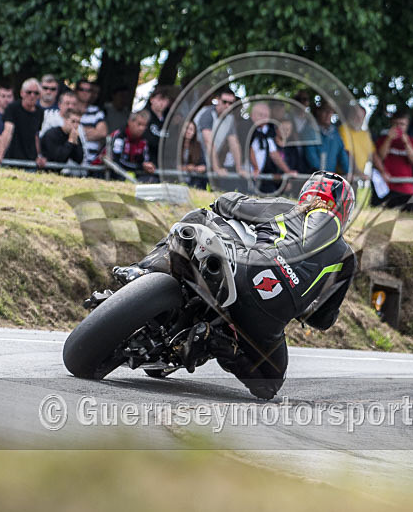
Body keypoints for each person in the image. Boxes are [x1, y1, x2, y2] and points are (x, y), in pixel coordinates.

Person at [110, 171, 356, 399]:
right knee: (269, 383)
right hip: (270, 315)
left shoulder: (287, 207)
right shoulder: (346, 257)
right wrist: (299, 301)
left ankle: (144, 269)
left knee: (201, 217)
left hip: (246, 271)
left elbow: (229, 202)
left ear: (307, 193)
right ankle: (215, 340)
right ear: (344, 210)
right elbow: (322, 320)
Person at [373, 109, 413, 208]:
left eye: (402, 124)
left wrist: (406, 143)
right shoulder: (383, 139)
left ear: (407, 126)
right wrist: (389, 139)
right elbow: (380, 157)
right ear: (391, 123)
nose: (399, 127)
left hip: (405, 189)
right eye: (396, 124)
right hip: (385, 187)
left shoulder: (412, 141)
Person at [0, 78, 45, 166]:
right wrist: (0, 154)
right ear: (22, 93)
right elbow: (7, 131)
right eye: (29, 92)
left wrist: (38, 156)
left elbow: (36, 135)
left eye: (36, 93)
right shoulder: (13, 108)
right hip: (12, 157)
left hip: (30, 159)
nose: (32, 95)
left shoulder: (40, 112)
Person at [249, 102, 296, 192]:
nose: (264, 118)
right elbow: (249, 149)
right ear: (252, 115)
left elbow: (274, 154)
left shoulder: (267, 131)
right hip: (246, 173)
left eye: (266, 115)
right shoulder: (247, 128)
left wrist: (287, 171)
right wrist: (256, 168)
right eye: (260, 115)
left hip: (257, 175)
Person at [196, 87, 244, 175]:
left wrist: (239, 169)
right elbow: (208, 142)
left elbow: (234, 144)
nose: (227, 105)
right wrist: (216, 168)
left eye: (231, 103)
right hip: (196, 160)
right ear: (218, 100)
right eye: (224, 102)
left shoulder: (230, 119)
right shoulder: (208, 113)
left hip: (209, 161)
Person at [107, 109, 156, 182]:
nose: (142, 128)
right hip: (107, 174)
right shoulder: (119, 136)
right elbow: (116, 162)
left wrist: (148, 166)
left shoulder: (144, 140)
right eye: (139, 124)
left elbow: (145, 161)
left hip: (131, 175)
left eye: (145, 125)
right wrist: (141, 167)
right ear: (130, 122)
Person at [302, 100, 349, 175]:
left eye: (331, 112)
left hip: (329, 179)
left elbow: (342, 155)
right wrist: (324, 173)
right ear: (318, 112)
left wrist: (350, 172)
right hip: (312, 178)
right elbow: (311, 158)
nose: (328, 114)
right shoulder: (309, 131)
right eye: (325, 111)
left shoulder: (335, 133)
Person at [339, 104, 376, 181]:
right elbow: (347, 153)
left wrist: (383, 172)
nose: (358, 119)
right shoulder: (344, 129)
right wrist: (358, 172)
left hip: (356, 177)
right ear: (350, 115)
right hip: (343, 176)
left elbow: (373, 155)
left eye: (361, 117)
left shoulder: (365, 134)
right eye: (356, 116)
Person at [75, 79, 107, 165]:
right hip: (73, 162)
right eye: (82, 89)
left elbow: (102, 133)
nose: (85, 92)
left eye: (88, 90)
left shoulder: (96, 111)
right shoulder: (70, 108)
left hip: (91, 162)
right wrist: (92, 130)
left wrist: (78, 133)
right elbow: (66, 131)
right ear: (76, 91)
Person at [144, 87, 171, 165]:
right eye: (159, 99)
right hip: (148, 160)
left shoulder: (170, 118)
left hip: (165, 161)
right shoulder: (144, 116)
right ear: (151, 99)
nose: (162, 103)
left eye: (165, 100)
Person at [182, 121, 207, 189]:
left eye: (191, 129)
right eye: (187, 128)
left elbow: (203, 164)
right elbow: (170, 164)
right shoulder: (175, 144)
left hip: (194, 183)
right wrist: (186, 168)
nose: (188, 131)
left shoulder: (198, 146)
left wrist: (202, 168)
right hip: (177, 180)